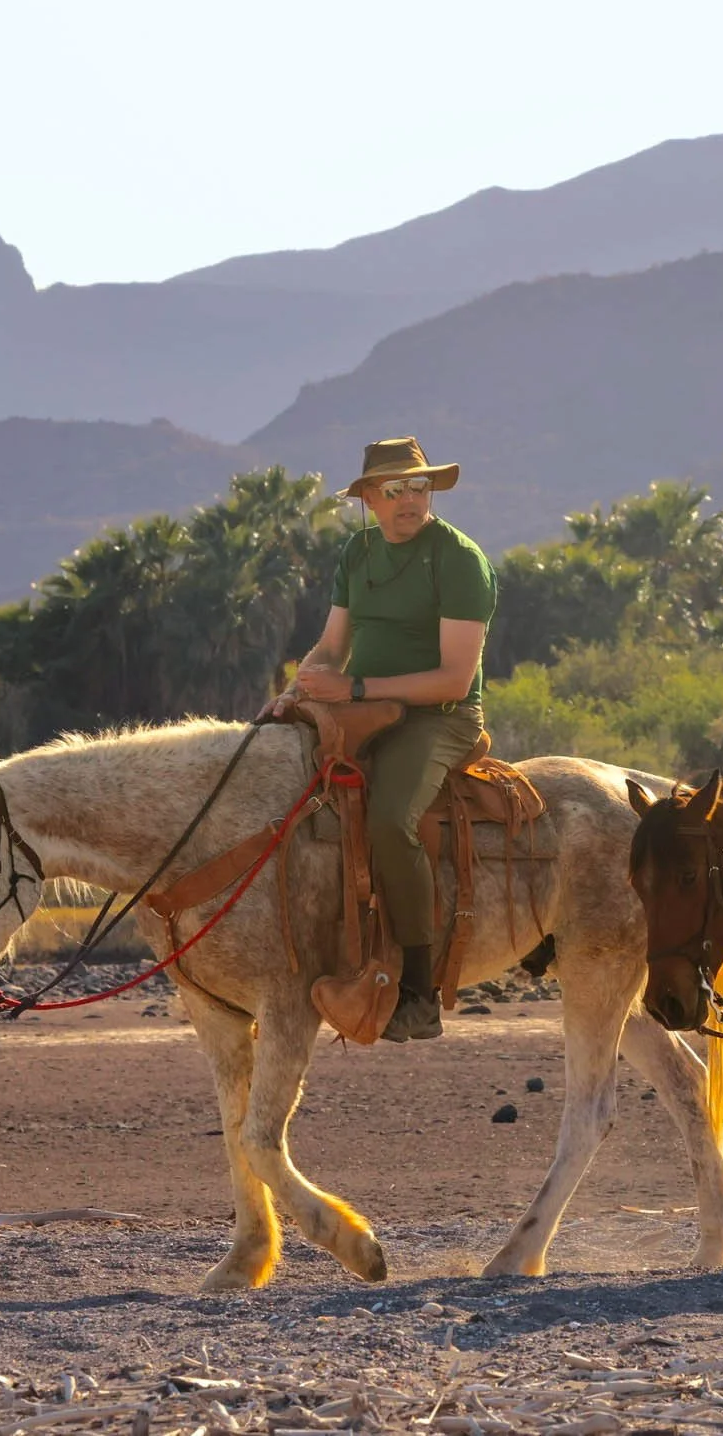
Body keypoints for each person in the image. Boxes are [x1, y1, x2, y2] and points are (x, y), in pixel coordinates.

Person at [260, 437, 496, 1042]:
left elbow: (454, 678)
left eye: (418, 487)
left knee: (391, 820)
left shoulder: (458, 560)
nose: (409, 499)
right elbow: (333, 644)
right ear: (367, 499)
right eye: (393, 490)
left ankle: (418, 990)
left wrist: (354, 689)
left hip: (438, 717)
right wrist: (297, 690)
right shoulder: (357, 551)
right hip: (361, 705)